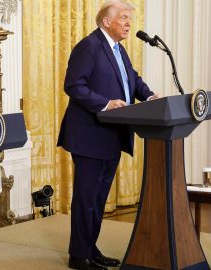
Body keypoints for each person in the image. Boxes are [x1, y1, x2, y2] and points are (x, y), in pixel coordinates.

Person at [57, 1, 159, 269]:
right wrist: (105, 103)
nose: (128, 23)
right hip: (90, 136)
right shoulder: (88, 47)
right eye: (124, 18)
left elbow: (132, 79)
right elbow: (73, 85)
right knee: (86, 198)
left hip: (112, 135)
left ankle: (90, 249)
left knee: (99, 199)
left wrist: (149, 96)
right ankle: (78, 256)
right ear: (106, 22)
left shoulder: (118, 50)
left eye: (129, 19)